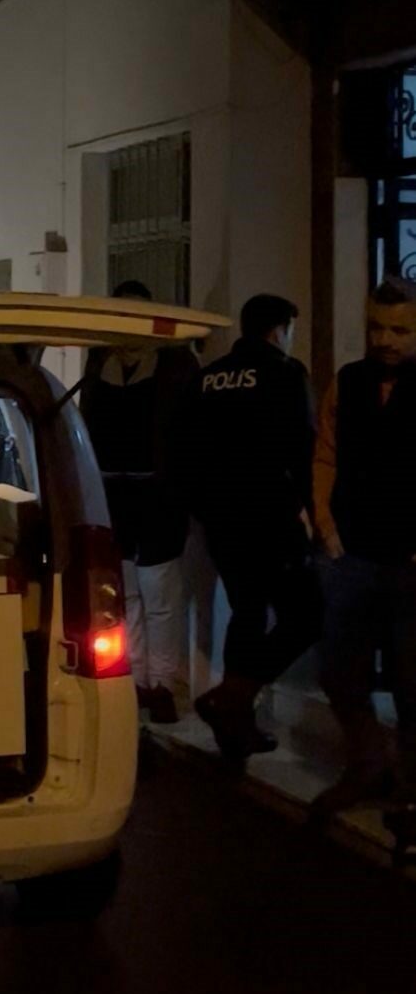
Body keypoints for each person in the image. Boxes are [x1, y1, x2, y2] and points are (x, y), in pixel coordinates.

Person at [183, 294, 321, 759]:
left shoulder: (208, 379)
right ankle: (231, 698)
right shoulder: (285, 373)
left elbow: (187, 451)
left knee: (248, 612)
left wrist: (204, 508)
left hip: (221, 522)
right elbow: (303, 450)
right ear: (279, 329)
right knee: (306, 615)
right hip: (271, 518)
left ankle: (234, 725)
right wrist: (314, 515)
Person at [311, 278, 416, 819]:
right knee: (339, 671)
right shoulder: (349, 381)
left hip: (410, 561)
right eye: (377, 327)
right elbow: (325, 455)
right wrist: (326, 525)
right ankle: (369, 764)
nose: (385, 339)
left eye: (399, 329)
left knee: (412, 683)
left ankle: (410, 789)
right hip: (351, 553)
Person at [80, 280, 198, 723]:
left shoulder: (175, 363)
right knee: (126, 590)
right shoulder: (100, 361)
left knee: (159, 588)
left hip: (158, 492)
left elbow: (186, 429)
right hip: (114, 491)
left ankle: (162, 684)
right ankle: (136, 681)